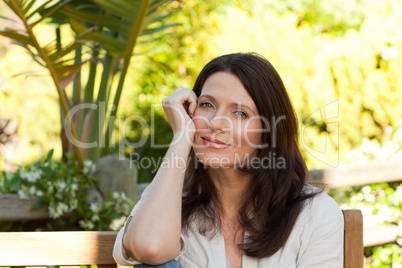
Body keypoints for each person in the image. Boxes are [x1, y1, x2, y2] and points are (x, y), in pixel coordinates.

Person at [113, 52, 344, 268]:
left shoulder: (315, 214)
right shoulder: (170, 202)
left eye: (241, 113)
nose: (215, 123)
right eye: (207, 105)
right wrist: (182, 136)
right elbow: (148, 247)